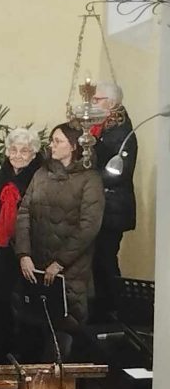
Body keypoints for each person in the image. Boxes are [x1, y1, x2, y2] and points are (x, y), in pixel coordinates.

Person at [15, 123, 104, 358]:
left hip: (70, 271)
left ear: (73, 146)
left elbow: (88, 226)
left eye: (58, 141)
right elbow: (24, 213)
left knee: (64, 336)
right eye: (52, 141)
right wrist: (23, 254)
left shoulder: (89, 179)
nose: (52, 146)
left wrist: (60, 262)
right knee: (35, 333)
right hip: (36, 265)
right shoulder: (41, 174)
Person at [0, 127, 42, 365]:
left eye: (24, 151)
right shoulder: (1, 176)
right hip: (0, 250)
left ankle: (23, 354)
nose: (18, 155)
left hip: (27, 251)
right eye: (13, 150)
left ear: (34, 154)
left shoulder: (39, 177)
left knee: (24, 305)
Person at [89, 82, 137, 322]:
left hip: (113, 208)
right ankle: (103, 309)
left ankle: (113, 311)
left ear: (111, 102)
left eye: (97, 99)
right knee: (98, 261)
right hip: (103, 205)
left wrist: (90, 179)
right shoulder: (104, 128)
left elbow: (118, 172)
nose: (93, 103)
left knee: (106, 260)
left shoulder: (122, 132)